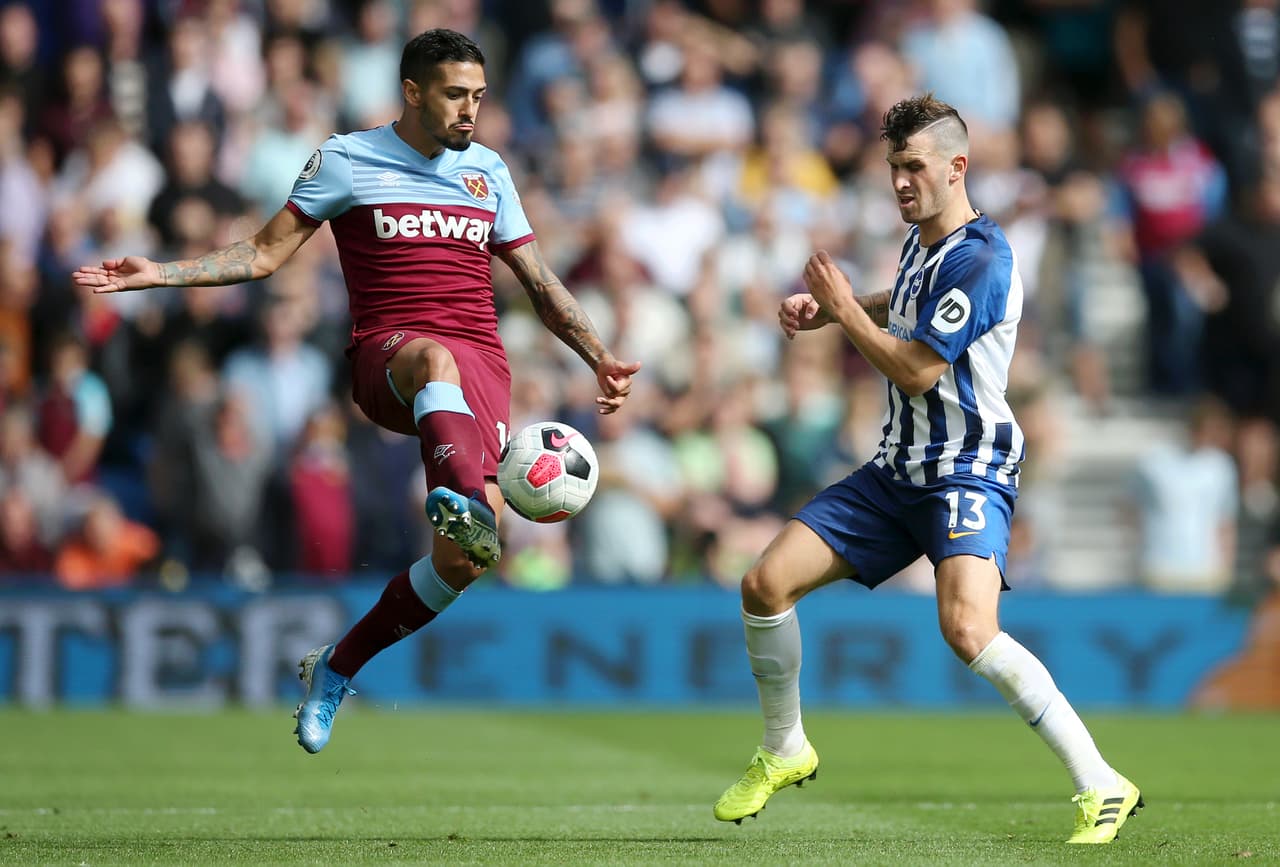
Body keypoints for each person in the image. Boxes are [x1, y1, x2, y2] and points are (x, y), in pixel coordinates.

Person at [72, 29, 640, 753]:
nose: (471, 110)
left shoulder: (489, 171)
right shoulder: (348, 158)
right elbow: (263, 252)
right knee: (435, 361)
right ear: (412, 92)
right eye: (455, 94)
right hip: (391, 354)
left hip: (483, 370)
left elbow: (540, 285)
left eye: (479, 96)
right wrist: (164, 271)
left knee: (463, 561)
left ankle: (337, 666)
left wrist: (600, 357)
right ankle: (460, 496)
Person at [712, 95, 1142, 845]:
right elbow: (907, 304)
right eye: (893, 168)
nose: (901, 181)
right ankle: (785, 748)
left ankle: (1101, 782)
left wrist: (845, 312)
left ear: (957, 167)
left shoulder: (983, 257)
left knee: (969, 628)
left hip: (965, 471)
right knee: (763, 584)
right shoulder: (923, 245)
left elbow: (915, 368)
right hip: (896, 470)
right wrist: (837, 307)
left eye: (914, 167)